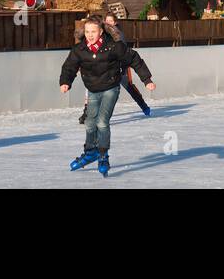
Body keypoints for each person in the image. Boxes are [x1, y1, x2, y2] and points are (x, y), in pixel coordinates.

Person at [60, 16, 155, 177]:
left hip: (111, 88)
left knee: (102, 122)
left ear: (101, 32)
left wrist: (146, 79)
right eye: (88, 31)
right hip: (93, 89)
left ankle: (103, 156)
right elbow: (69, 67)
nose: (90, 35)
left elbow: (134, 58)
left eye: (93, 31)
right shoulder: (80, 49)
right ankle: (91, 152)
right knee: (90, 122)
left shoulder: (113, 47)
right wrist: (65, 82)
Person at [78, 13, 151, 122]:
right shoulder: (100, 33)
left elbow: (125, 53)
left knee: (129, 87)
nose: (108, 23)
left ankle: (143, 106)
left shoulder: (117, 34)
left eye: (111, 21)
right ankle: (87, 112)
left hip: (120, 67)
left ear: (115, 22)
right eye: (106, 21)